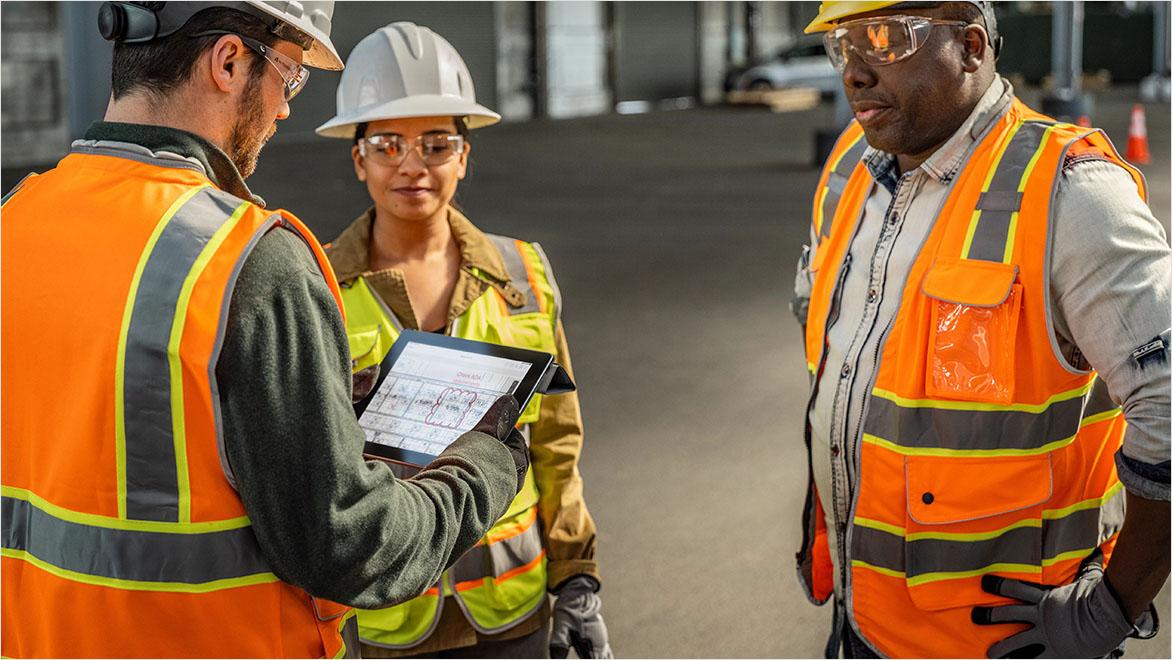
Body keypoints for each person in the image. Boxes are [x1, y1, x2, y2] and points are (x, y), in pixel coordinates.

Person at [0, 3, 528, 657]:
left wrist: (313, 403)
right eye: (290, 74)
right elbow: (349, 546)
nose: (284, 109)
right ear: (228, 61)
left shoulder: (14, 222)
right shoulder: (241, 259)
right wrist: (482, 467)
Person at [791, 1, 1170, 657]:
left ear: (969, 45)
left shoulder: (1071, 193)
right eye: (843, 45)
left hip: (1004, 642)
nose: (853, 71)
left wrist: (1111, 606)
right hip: (864, 624)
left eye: (883, 39)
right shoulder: (853, 168)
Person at [314, 22, 612, 660]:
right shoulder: (319, 290)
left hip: (513, 608)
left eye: (437, 143)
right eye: (388, 143)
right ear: (357, 155)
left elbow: (556, 442)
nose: (412, 165)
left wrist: (578, 579)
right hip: (386, 615)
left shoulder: (524, 276)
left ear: (464, 157)